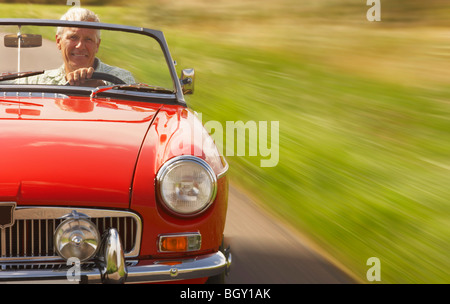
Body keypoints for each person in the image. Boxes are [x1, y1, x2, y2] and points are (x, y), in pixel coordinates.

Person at [22, 7, 135, 86]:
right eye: (73, 37)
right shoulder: (39, 81)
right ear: (58, 41)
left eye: (88, 39)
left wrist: (102, 88)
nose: (80, 46)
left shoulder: (121, 78)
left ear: (97, 45)